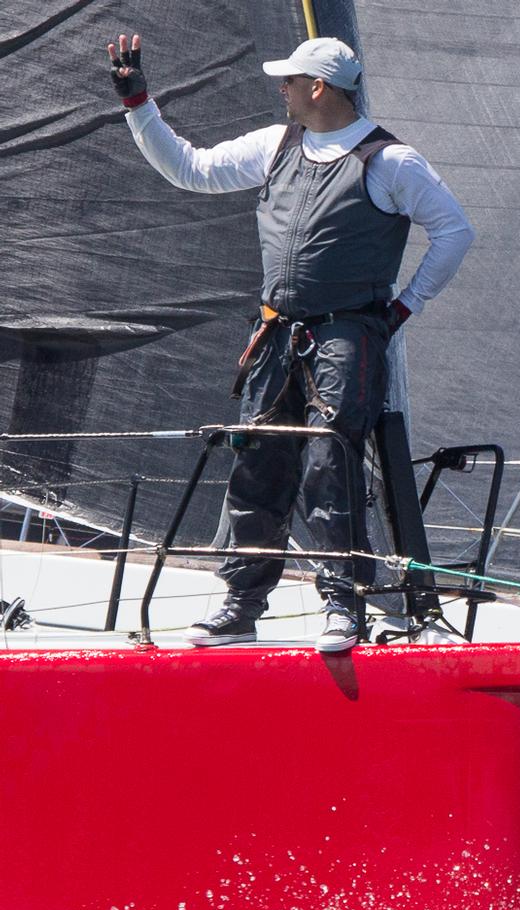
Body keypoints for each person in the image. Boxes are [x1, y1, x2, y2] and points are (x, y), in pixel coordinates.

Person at [107, 34, 475, 650]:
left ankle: (344, 604)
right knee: (258, 467)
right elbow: (190, 168)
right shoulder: (276, 144)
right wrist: (137, 103)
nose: (280, 88)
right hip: (276, 333)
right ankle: (240, 608)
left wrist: (403, 308)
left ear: (318, 87)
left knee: (330, 466)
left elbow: (454, 232)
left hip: (348, 335)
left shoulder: (391, 160)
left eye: (288, 79)